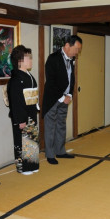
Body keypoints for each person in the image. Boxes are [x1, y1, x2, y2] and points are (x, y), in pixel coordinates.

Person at [42, 35, 82, 165]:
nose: (77, 52)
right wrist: (62, 97)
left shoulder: (72, 59)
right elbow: (51, 81)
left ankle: (60, 151)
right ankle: (50, 154)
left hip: (66, 98)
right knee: (50, 127)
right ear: (67, 46)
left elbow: (71, 79)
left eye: (79, 50)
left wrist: (70, 94)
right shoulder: (53, 58)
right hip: (53, 98)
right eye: (76, 49)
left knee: (61, 125)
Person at [7, 45, 39, 175]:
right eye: (28, 57)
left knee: (31, 140)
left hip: (30, 111)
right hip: (21, 114)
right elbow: (16, 101)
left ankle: (32, 165)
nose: (31, 60)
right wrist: (20, 119)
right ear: (20, 60)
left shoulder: (28, 76)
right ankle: (23, 167)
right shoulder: (15, 79)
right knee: (21, 142)